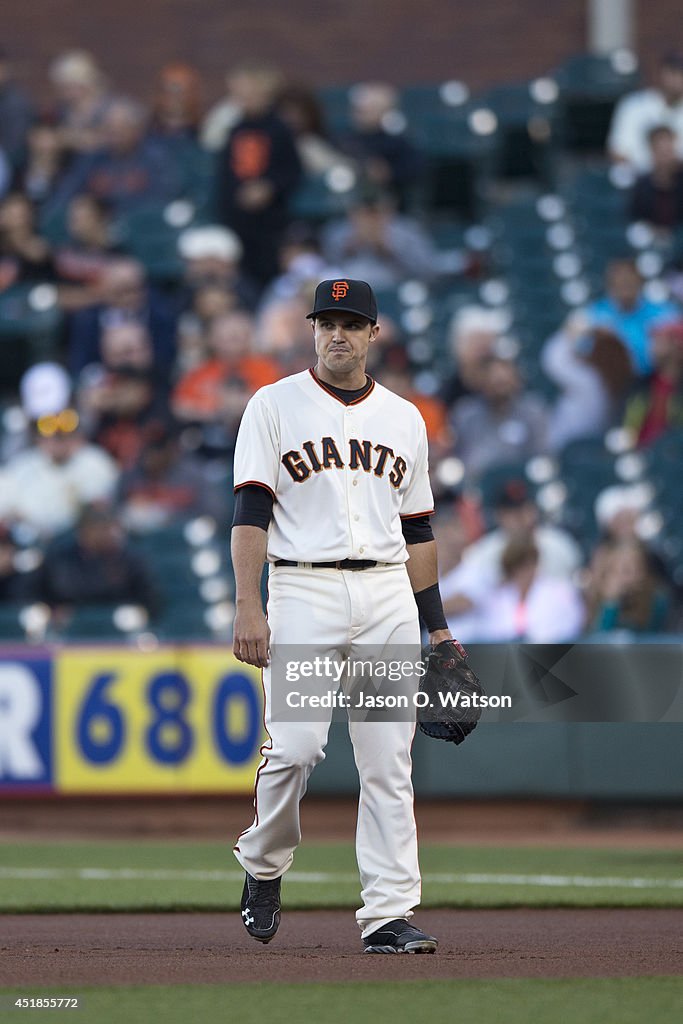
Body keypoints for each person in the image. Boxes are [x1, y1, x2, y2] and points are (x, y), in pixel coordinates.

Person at [231, 278, 457, 953]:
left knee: (388, 761)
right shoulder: (272, 405)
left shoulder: (404, 417)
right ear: (310, 330)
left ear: (372, 335)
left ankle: (387, 914)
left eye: (351, 324)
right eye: (326, 321)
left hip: (387, 593)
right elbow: (249, 512)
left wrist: (438, 626)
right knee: (296, 749)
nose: (337, 334)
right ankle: (263, 862)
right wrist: (249, 601)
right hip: (302, 590)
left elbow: (418, 531)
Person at [607, 51, 683, 171]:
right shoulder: (634, 105)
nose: (678, 80)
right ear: (661, 74)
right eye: (674, 73)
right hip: (638, 181)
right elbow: (618, 152)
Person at [629, 125, 683, 230]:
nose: (666, 155)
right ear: (652, 151)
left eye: (669, 149)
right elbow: (636, 220)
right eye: (661, 150)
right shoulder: (642, 186)